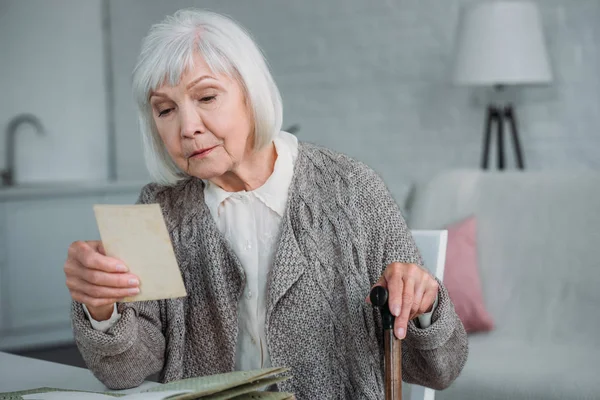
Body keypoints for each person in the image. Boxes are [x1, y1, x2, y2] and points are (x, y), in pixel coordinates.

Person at [63, 8, 468, 399]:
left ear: (251, 94)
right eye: (165, 109)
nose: (187, 128)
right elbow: (126, 371)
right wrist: (101, 309)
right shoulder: (156, 209)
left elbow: (439, 368)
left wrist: (424, 304)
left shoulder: (352, 190)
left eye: (206, 98)